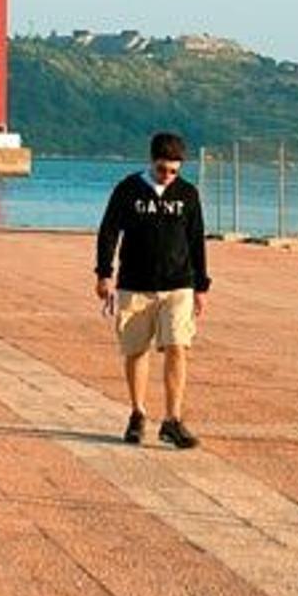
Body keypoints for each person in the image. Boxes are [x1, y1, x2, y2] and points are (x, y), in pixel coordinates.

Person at [95, 131, 210, 448]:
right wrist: (104, 274)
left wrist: (201, 285)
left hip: (178, 284)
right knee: (136, 351)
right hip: (135, 284)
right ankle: (138, 413)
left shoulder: (188, 194)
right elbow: (108, 232)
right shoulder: (128, 189)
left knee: (177, 345)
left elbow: (196, 240)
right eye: (163, 169)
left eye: (175, 171)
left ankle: (172, 420)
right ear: (151, 162)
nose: (168, 176)